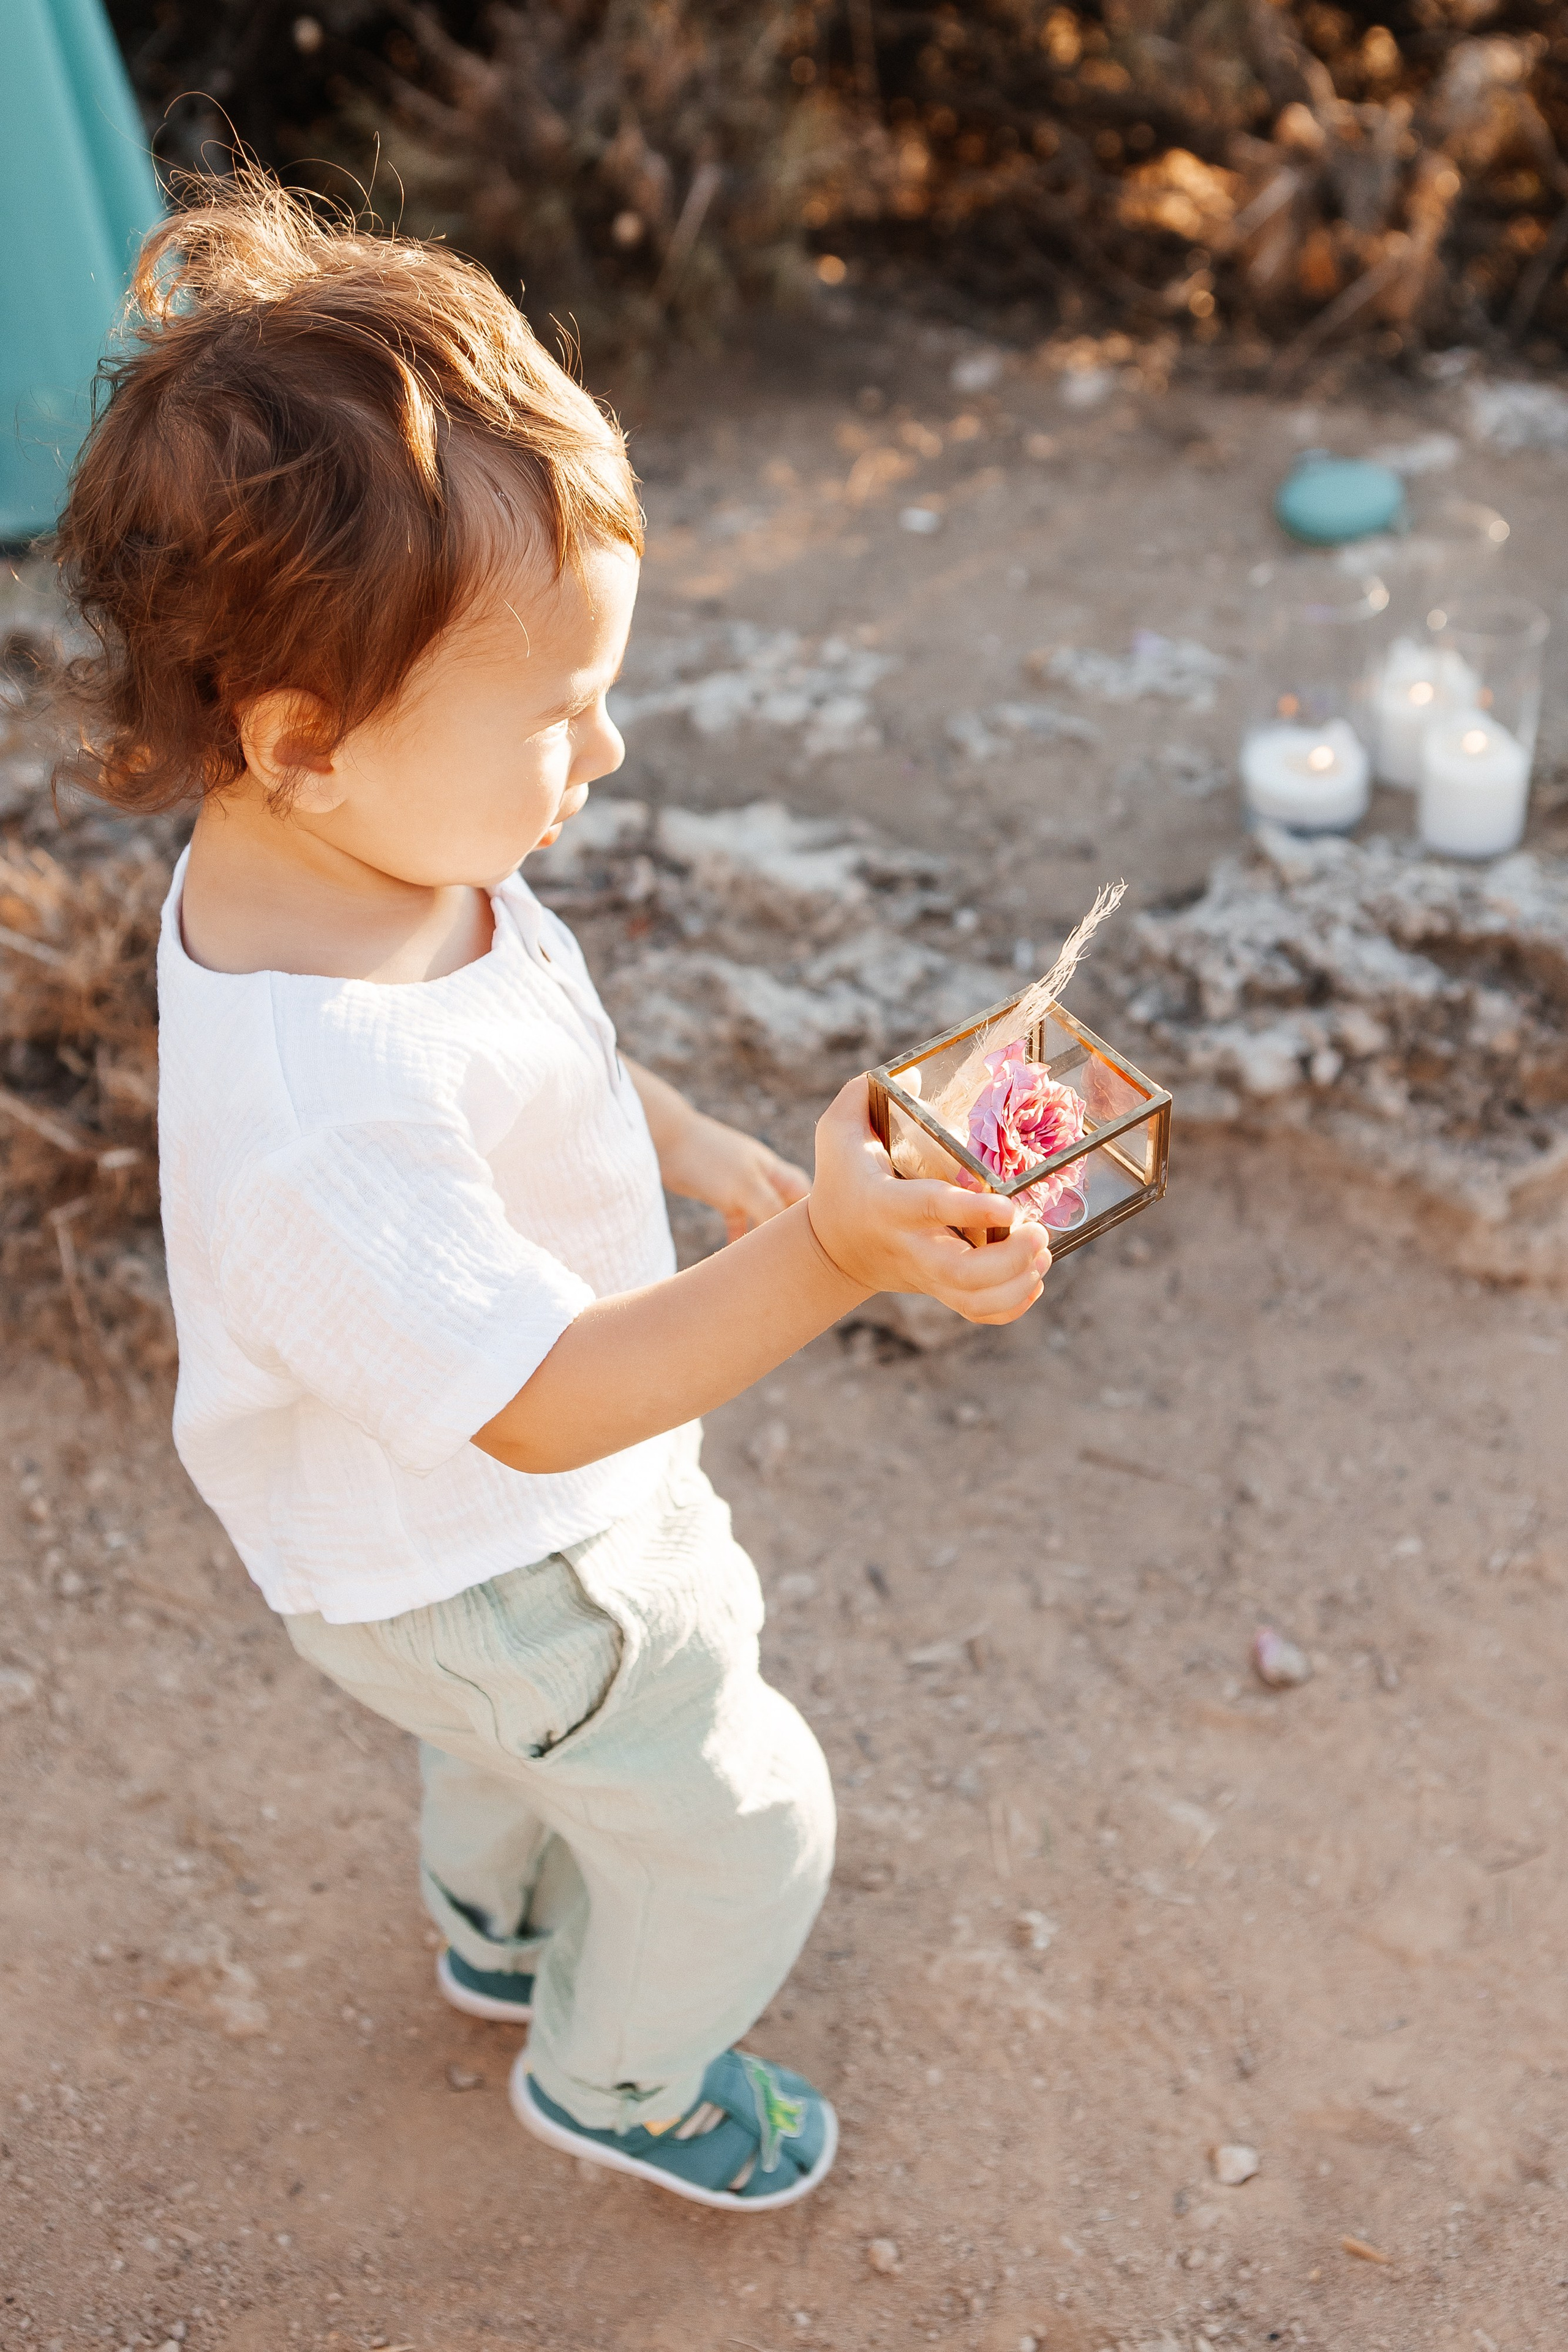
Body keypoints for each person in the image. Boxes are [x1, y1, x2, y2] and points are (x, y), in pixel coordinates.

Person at [55, 172, 1053, 2211]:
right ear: (302, 736)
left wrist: (674, 1139)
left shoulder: (347, 864)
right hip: (512, 1552)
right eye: (552, 712)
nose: (603, 751)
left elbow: (532, 1041)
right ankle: (618, 2075)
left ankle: (498, 1933)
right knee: (740, 1805)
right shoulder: (321, 1105)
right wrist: (828, 1256)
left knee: (502, 1748)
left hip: (421, 1562)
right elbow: (547, 1396)